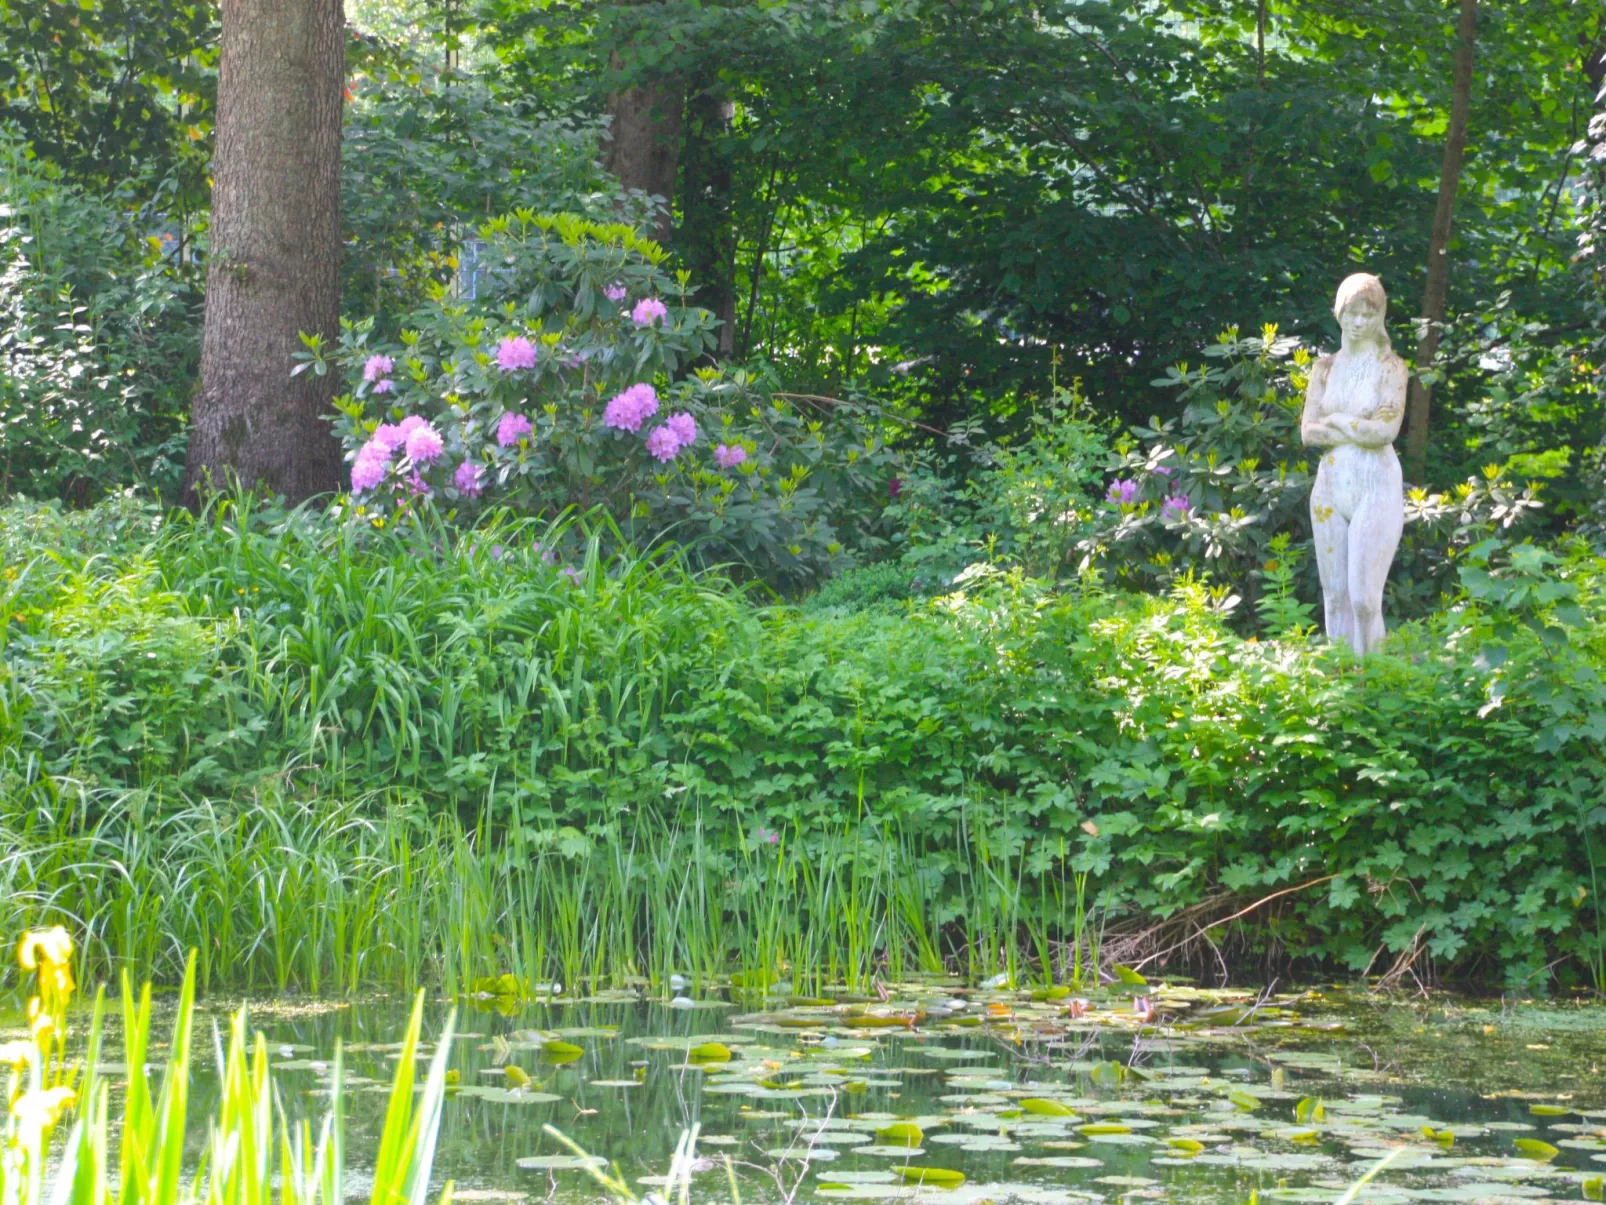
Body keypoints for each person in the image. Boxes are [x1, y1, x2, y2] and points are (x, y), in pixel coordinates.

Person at [1301, 273, 1407, 656]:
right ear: (1339, 312)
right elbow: (1309, 433)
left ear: (1379, 317)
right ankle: (1343, 681)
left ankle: (1375, 680)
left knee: (1364, 599)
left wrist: (1341, 422)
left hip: (1375, 484)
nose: (1359, 321)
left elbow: (1386, 431)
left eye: (1368, 313)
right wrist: (1357, 428)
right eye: (1352, 312)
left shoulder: (1391, 367)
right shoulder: (1324, 368)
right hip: (1330, 485)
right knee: (1334, 597)